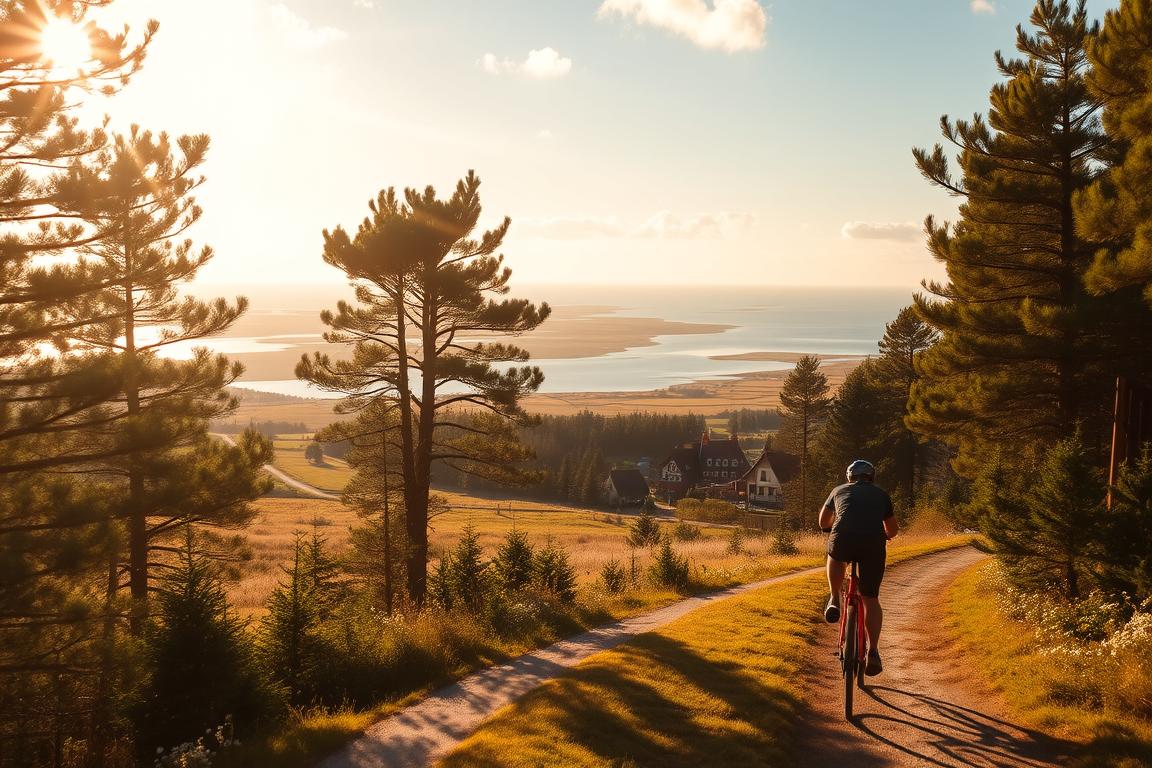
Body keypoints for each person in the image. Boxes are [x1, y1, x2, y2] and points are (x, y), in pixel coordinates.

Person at [819, 459, 898, 676]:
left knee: (835, 556)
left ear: (849, 477)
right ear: (871, 477)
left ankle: (834, 598)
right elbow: (892, 529)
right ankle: (873, 651)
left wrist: (830, 529)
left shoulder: (838, 490)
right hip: (872, 544)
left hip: (843, 536)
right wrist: (885, 536)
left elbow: (823, 522)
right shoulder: (881, 495)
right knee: (870, 599)